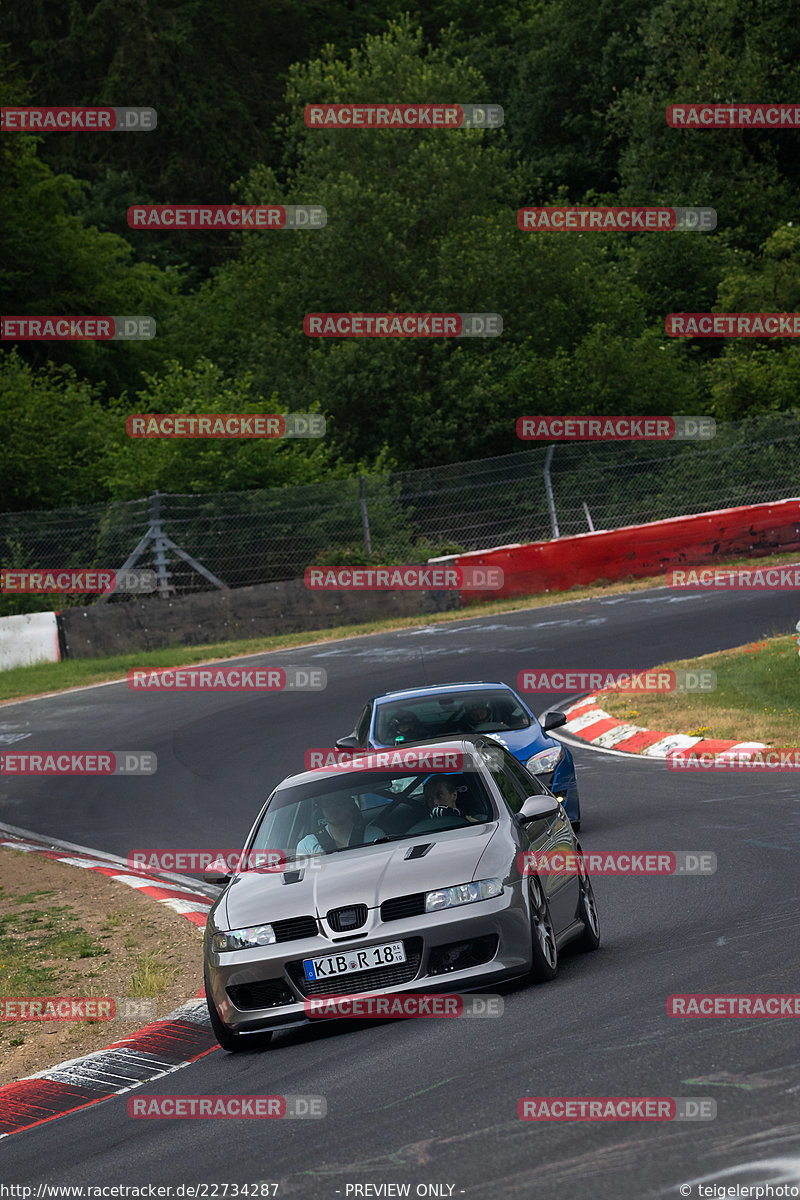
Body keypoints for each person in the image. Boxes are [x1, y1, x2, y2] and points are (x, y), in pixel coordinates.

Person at [296, 794, 366, 854]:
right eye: (327, 804)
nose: (332, 808)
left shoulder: (371, 836)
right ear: (321, 809)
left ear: (351, 804)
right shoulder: (307, 845)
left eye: (338, 802)